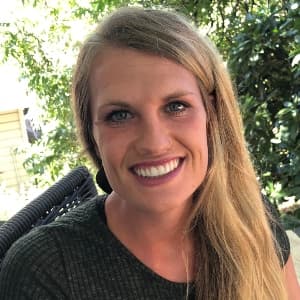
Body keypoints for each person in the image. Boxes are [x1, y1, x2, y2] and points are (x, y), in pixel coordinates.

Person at [0, 7, 299, 300]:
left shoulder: (250, 216)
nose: (154, 143)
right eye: (119, 115)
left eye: (176, 106)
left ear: (213, 115)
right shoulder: (45, 272)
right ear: (92, 134)